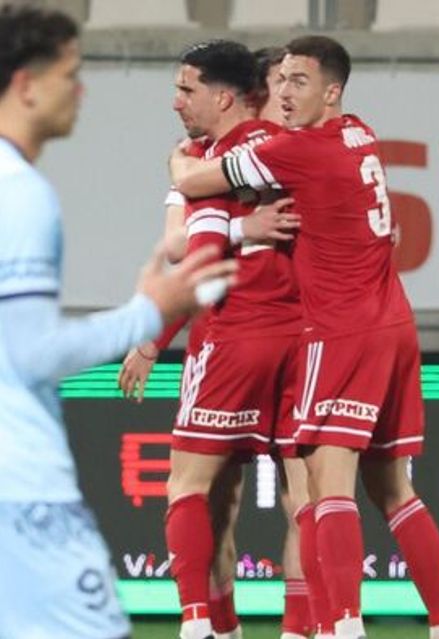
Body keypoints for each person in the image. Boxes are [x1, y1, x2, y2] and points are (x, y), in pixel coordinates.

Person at [170, 35, 439, 639]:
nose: (283, 92)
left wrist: (179, 166)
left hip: (339, 330)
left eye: (298, 82)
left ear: (332, 92)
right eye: (279, 80)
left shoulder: (294, 150)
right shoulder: (360, 133)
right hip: (395, 324)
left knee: (325, 488)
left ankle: (340, 627)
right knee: (394, 489)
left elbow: (199, 184)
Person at [0, 5, 235, 639]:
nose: (80, 91)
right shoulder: (20, 195)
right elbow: (31, 353)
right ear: (25, 85)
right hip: (23, 495)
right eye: (69, 75)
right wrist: (147, 314)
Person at [117, 45, 317, 639]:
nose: (176, 103)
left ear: (230, 97)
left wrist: (152, 341)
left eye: (186, 90)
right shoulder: (300, 151)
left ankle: (203, 625)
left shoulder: (203, 162)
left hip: (233, 337)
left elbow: (190, 255)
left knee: (196, 491)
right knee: (306, 502)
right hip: (305, 342)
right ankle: (309, 627)